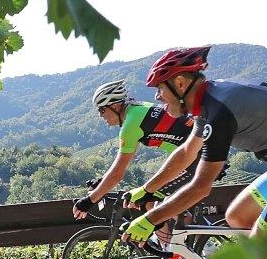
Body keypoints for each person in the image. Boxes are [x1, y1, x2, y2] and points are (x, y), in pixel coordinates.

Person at [122, 46, 267, 255]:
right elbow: (187, 152)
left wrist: (149, 220)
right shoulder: (208, 102)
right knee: (238, 216)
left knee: (263, 250)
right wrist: (147, 188)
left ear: (180, 83)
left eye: (160, 88)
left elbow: (200, 187)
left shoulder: (220, 112)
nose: (157, 97)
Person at [71, 79, 201, 221]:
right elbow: (124, 163)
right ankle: (187, 237)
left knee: (146, 200)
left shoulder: (130, 125)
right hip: (195, 156)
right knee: (154, 201)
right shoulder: (137, 110)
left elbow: (117, 173)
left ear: (115, 105)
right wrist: (102, 182)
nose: (100, 115)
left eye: (102, 109)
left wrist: (89, 201)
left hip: (196, 160)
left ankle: (187, 241)